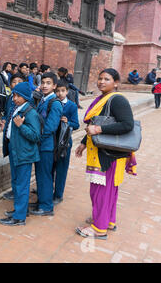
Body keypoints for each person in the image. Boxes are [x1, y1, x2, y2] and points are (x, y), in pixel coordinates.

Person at [75, 68, 137, 239]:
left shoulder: (117, 100)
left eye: (107, 79)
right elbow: (93, 124)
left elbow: (127, 125)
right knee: (105, 191)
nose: (102, 81)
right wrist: (82, 143)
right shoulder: (100, 99)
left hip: (110, 155)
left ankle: (99, 228)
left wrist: (99, 129)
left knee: (101, 191)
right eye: (100, 78)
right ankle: (107, 220)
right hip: (101, 151)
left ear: (116, 83)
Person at [0, 82, 41, 226]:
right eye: (14, 95)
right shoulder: (16, 109)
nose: (15, 98)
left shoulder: (30, 113)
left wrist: (21, 126)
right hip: (15, 150)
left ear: (25, 97)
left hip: (24, 153)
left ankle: (19, 217)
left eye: (18, 96)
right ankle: (20, 210)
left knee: (22, 184)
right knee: (16, 183)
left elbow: (36, 136)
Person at [30, 72, 63, 216]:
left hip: (46, 146)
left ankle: (46, 206)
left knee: (45, 175)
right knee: (40, 174)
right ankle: (42, 200)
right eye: (43, 82)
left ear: (54, 86)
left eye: (48, 83)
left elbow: (50, 127)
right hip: (40, 145)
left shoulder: (54, 103)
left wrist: (36, 137)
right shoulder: (43, 100)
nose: (44, 85)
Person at [52, 80, 80, 204]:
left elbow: (76, 124)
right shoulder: (52, 103)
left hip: (64, 142)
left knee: (61, 168)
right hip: (52, 140)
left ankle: (58, 194)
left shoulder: (72, 106)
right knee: (49, 167)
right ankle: (46, 189)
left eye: (62, 91)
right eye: (57, 91)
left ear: (67, 92)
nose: (60, 93)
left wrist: (67, 122)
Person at [1, 73, 26, 201]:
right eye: (14, 82)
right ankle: (14, 190)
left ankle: (19, 195)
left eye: (19, 81)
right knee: (13, 168)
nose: (16, 84)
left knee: (19, 171)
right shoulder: (11, 98)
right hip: (10, 139)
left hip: (20, 142)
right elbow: (6, 114)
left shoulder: (27, 103)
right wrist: (4, 120)